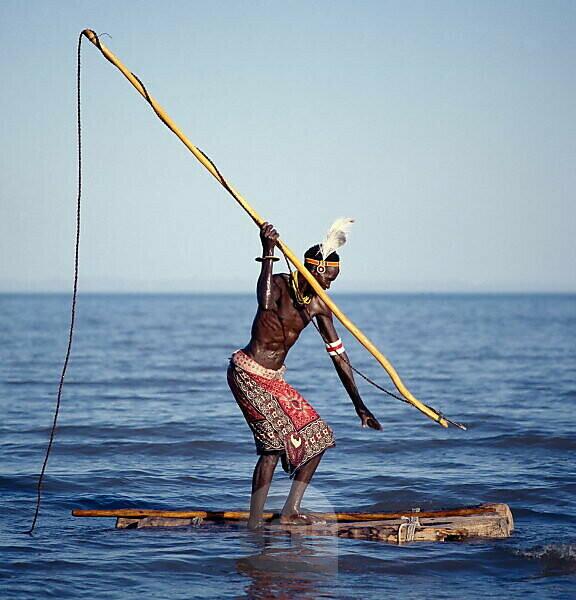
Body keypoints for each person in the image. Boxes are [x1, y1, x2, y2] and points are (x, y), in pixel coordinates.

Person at [227, 221, 382, 530]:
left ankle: (290, 511)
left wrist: (359, 405)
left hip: (274, 380)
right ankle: (255, 524)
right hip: (246, 372)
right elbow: (264, 301)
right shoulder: (280, 284)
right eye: (328, 279)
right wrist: (267, 250)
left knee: (320, 438)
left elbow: (339, 356)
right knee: (271, 448)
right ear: (315, 271)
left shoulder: (320, 307)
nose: (329, 286)